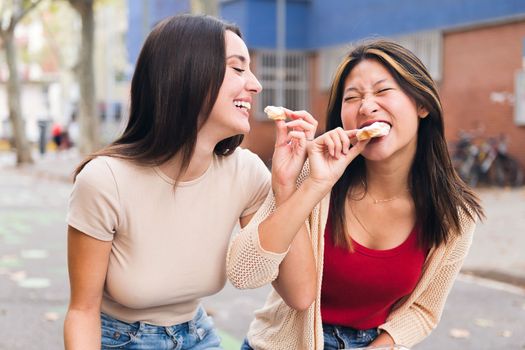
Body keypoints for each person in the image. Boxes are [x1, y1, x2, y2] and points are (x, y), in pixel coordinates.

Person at [64, 14, 317, 349]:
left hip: (198, 335)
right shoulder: (104, 180)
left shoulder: (246, 171)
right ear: (186, 74)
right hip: (119, 339)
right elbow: (82, 311)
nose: (256, 84)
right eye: (238, 68)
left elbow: (300, 294)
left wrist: (289, 188)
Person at [227, 39, 484, 349]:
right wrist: (291, 186)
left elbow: (423, 310)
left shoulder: (454, 214)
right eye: (353, 97)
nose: (366, 106)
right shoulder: (312, 175)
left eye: (383, 90)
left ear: (422, 104)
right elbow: (245, 273)